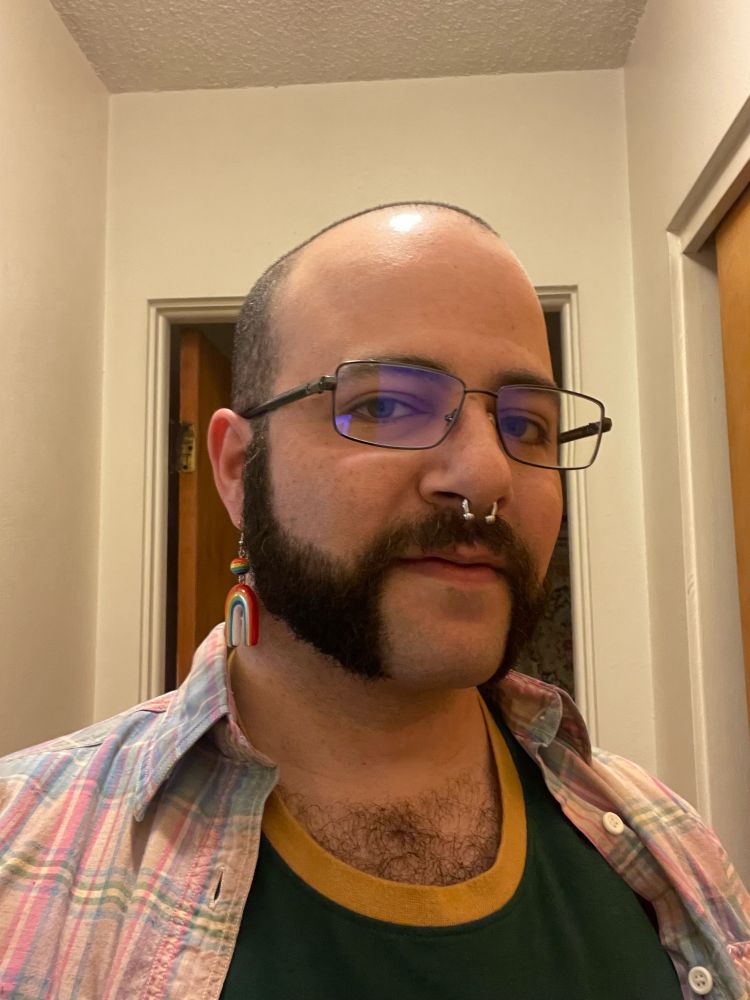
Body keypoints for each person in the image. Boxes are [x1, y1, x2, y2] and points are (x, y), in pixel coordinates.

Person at [0, 202, 748, 1000]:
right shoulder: (22, 851)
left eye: (527, 424)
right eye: (386, 407)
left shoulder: (669, 841)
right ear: (235, 470)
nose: (487, 476)